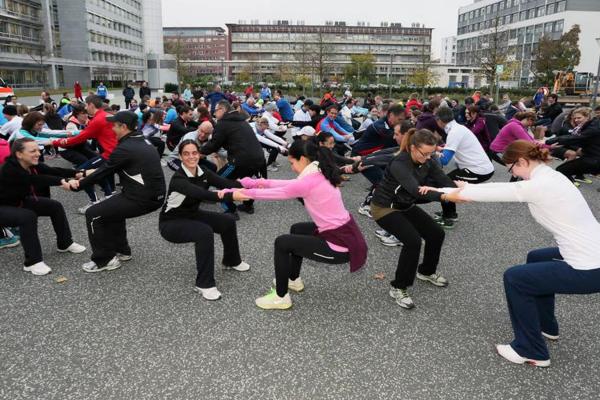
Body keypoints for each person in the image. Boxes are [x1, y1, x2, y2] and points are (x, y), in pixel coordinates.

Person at [435, 140, 600, 367]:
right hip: (591, 255)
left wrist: (451, 193)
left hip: (589, 268)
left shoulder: (539, 185)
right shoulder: (550, 176)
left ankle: (531, 350)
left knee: (516, 278)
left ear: (522, 161)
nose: (513, 174)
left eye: (511, 169)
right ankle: (546, 326)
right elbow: (504, 188)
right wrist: (468, 188)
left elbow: (506, 191)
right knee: (536, 258)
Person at [225, 139, 367, 310]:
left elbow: (279, 192)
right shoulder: (318, 172)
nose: (291, 167)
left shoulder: (309, 181)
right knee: (297, 229)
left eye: (292, 162)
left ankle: (281, 296)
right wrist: (254, 182)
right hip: (344, 235)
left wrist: (239, 193)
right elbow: (288, 185)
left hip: (341, 246)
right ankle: (293, 279)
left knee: (282, 242)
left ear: (303, 159)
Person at [370, 129, 455, 309]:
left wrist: (458, 190)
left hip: (404, 205)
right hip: (384, 208)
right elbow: (415, 190)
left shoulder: (427, 160)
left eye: (431, 153)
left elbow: (442, 179)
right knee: (413, 241)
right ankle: (398, 286)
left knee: (436, 233)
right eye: (425, 153)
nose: (428, 157)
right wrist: (445, 197)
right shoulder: (400, 163)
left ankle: (426, 271)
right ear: (413, 148)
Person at [74, 111, 166, 273]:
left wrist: (77, 185)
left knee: (93, 214)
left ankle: (104, 260)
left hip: (142, 198)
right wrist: (85, 173)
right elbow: (108, 167)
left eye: (114, 126)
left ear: (123, 127)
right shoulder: (142, 140)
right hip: (151, 195)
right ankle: (122, 250)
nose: (111, 129)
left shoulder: (125, 147)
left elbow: (104, 172)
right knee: (112, 209)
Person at [159, 140, 249, 300]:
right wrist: (232, 195)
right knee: (204, 232)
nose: (191, 157)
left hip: (192, 213)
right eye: (186, 154)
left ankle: (231, 260)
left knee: (227, 221)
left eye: (194, 153)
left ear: (199, 154)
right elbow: (205, 195)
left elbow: (225, 183)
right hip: (171, 223)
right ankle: (204, 283)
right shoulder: (179, 179)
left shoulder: (204, 172)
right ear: (180, 157)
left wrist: (251, 186)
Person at [0, 138, 86, 275]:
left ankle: (65, 243)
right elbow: (35, 180)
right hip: (3, 206)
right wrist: (63, 182)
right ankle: (32, 262)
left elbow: (51, 170)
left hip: (17, 201)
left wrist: (78, 173)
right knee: (27, 217)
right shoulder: (9, 169)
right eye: (32, 151)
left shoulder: (30, 163)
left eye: (37, 150)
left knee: (54, 206)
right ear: (19, 154)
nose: (38, 153)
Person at [52, 95, 117, 213]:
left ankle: (95, 201)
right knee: (94, 170)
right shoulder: (106, 116)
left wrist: (54, 142)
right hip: (112, 153)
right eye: (83, 111)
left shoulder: (98, 119)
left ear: (91, 105)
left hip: (110, 155)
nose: (86, 110)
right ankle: (108, 195)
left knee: (80, 173)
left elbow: (78, 138)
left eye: (86, 106)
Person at [200, 100, 265, 218]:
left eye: (216, 111)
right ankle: (248, 205)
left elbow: (214, 144)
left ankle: (231, 210)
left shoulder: (223, 123)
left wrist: (200, 153)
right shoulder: (242, 121)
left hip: (239, 160)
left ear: (223, 110)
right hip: (258, 159)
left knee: (218, 180)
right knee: (248, 181)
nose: (214, 114)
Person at [434, 107, 494, 227]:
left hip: (478, 170)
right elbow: (451, 148)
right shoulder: (458, 128)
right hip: (477, 167)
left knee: (445, 184)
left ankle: (448, 217)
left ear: (439, 120)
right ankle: (450, 213)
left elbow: (444, 160)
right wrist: (438, 149)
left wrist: (430, 152)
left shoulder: (454, 132)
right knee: (447, 182)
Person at [546, 111, 600, 183]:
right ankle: (578, 177)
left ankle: (569, 186)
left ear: (587, 117)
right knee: (577, 157)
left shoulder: (591, 129)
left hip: (594, 159)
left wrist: (548, 141)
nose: (576, 120)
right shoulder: (592, 125)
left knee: (561, 170)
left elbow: (574, 138)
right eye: (575, 118)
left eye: (579, 118)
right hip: (591, 156)